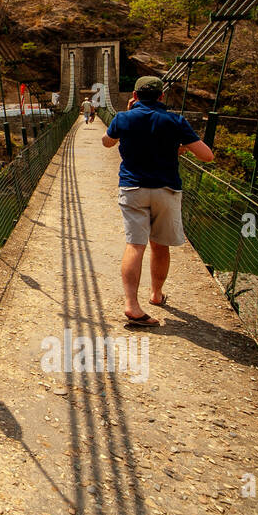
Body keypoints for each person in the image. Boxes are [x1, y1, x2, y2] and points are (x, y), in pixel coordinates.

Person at [102, 76, 214, 328]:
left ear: (135, 94)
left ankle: (131, 305)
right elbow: (207, 156)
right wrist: (179, 146)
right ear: (161, 96)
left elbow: (107, 142)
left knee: (135, 246)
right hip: (166, 190)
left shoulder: (123, 118)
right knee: (160, 245)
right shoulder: (176, 121)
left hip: (133, 189)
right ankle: (156, 294)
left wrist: (125, 126)